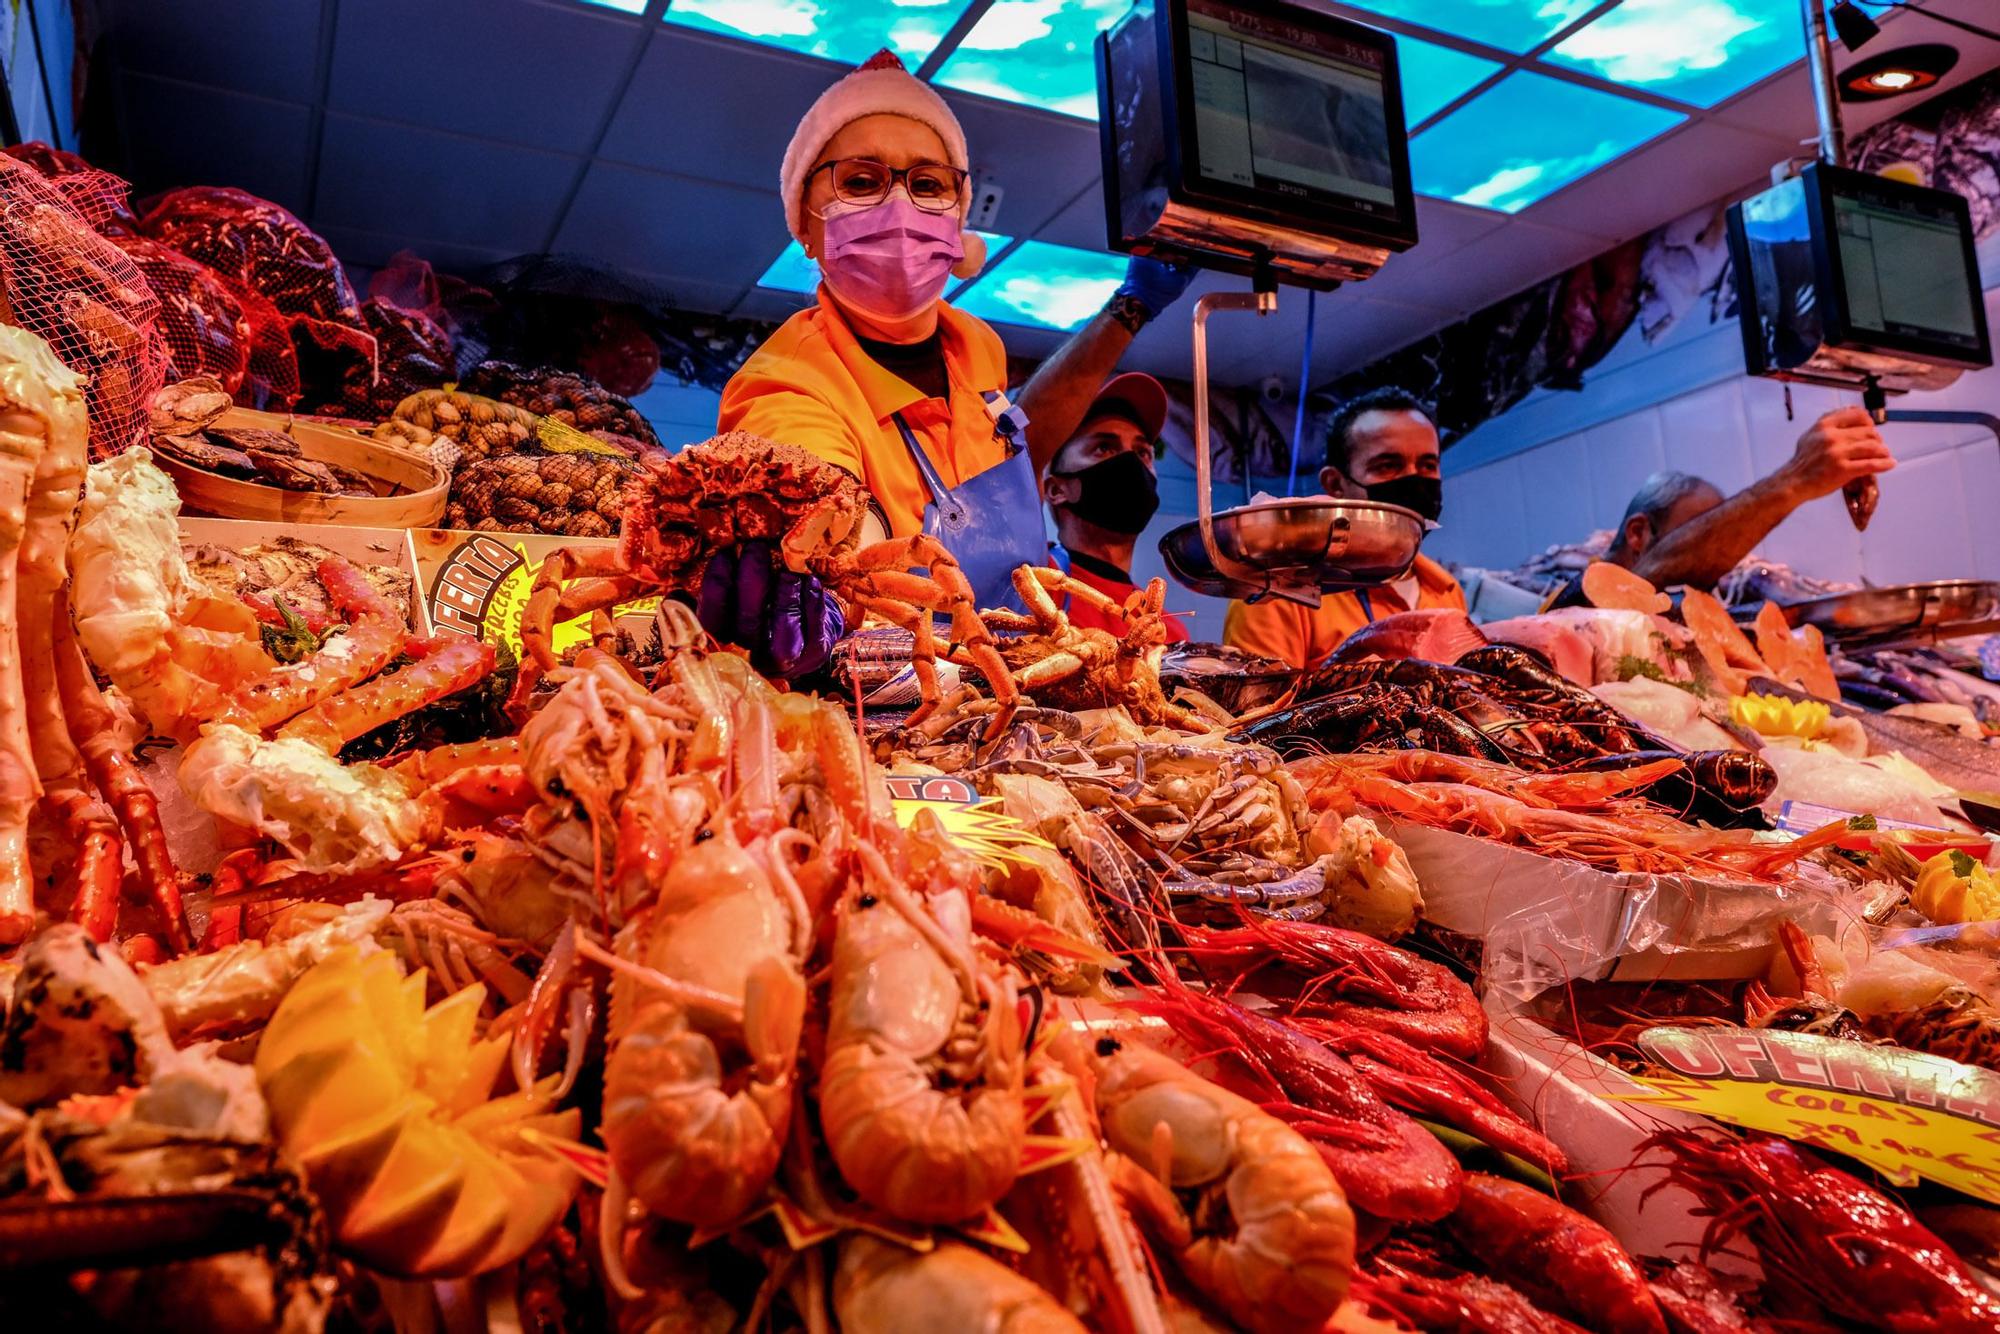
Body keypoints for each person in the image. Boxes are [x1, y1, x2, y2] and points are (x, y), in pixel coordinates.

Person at [710, 50, 1193, 676]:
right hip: (884, 701)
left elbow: (1014, 453)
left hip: (1027, 686)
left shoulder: (978, 346)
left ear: (958, 216)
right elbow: (818, 491)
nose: (900, 206)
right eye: (861, 182)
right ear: (806, 220)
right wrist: (823, 539)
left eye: (928, 183)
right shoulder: (785, 381)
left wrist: (1130, 307)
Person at [1545, 406, 1895, 608]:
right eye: (1699, 529)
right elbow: (1646, 578)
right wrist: (1796, 478)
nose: (1720, 551)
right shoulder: (1568, 604)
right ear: (1637, 533)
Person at [1223, 386, 1464, 670]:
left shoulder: (1447, 591)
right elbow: (1257, 711)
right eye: (1388, 465)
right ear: (1336, 484)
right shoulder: (1279, 592)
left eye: (1427, 465)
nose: (1414, 480)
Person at [1043, 370, 1189, 642]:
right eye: (1104, 448)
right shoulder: (1031, 586)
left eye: (1143, 452)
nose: (1131, 463)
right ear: (1056, 489)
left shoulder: (1168, 635)